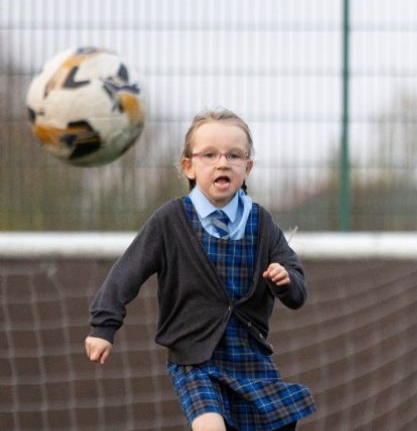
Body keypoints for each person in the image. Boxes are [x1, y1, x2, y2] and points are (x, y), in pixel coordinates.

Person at [85, 109, 316, 431]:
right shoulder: (170, 221)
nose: (222, 163)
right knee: (209, 425)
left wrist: (285, 280)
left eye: (234, 155)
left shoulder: (261, 223)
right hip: (195, 360)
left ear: (247, 168)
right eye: (209, 155)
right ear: (188, 166)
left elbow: (297, 291)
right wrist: (103, 327)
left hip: (250, 357)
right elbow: (127, 273)